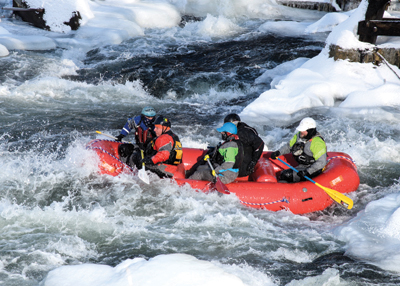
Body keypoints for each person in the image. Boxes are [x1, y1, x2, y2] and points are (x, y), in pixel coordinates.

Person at [270, 117, 327, 183]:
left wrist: (307, 172)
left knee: (285, 175)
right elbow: (289, 146)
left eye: (303, 130)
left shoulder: (317, 143)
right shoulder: (299, 136)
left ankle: (283, 191)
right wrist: (278, 152)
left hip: (312, 170)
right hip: (302, 167)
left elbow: (321, 162)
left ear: (310, 130)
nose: (301, 131)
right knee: (285, 174)